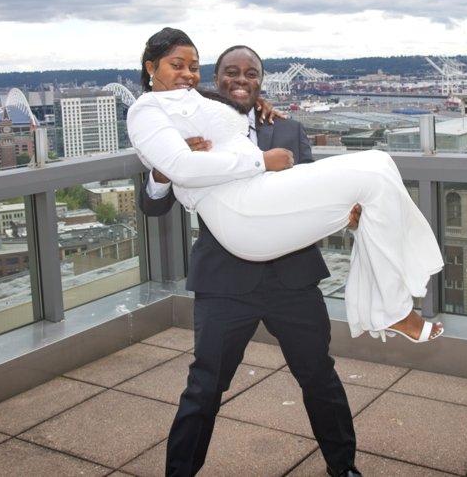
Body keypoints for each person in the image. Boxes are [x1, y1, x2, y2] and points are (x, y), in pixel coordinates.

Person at [130, 28, 445, 344]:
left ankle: (390, 306)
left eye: (193, 66)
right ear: (151, 68)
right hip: (239, 212)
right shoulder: (146, 109)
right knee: (375, 172)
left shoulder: (202, 101)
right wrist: (261, 161)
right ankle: (392, 308)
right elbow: (180, 168)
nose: (187, 73)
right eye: (177, 65)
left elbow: (221, 115)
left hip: (268, 217)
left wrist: (254, 107)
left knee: (380, 163)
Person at [141, 40, 362, 477]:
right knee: (204, 388)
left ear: (261, 82)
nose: (240, 81)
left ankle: (345, 469)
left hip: (292, 280)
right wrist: (162, 173)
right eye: (231, 73)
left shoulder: (287, 130)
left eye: (251, 74)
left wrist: (347, 211)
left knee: (320, 379)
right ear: (214, 79)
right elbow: (152, 206)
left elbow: (316, 192)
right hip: (224, 283)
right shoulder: (189, 129)